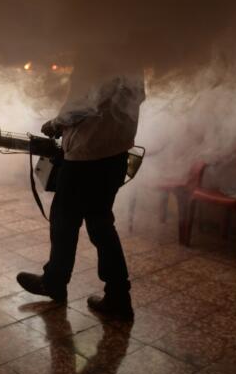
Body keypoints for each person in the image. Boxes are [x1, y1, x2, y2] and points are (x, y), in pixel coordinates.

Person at [16, 63, 145, 320]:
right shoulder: (133, 56)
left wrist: (55, 124)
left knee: (64, 221)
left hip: (87, 155)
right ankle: (118, 295)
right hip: (115, 155)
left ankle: (54, 282)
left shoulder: (97, 53)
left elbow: (83, 104)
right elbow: (136, 98)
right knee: (101, 224)